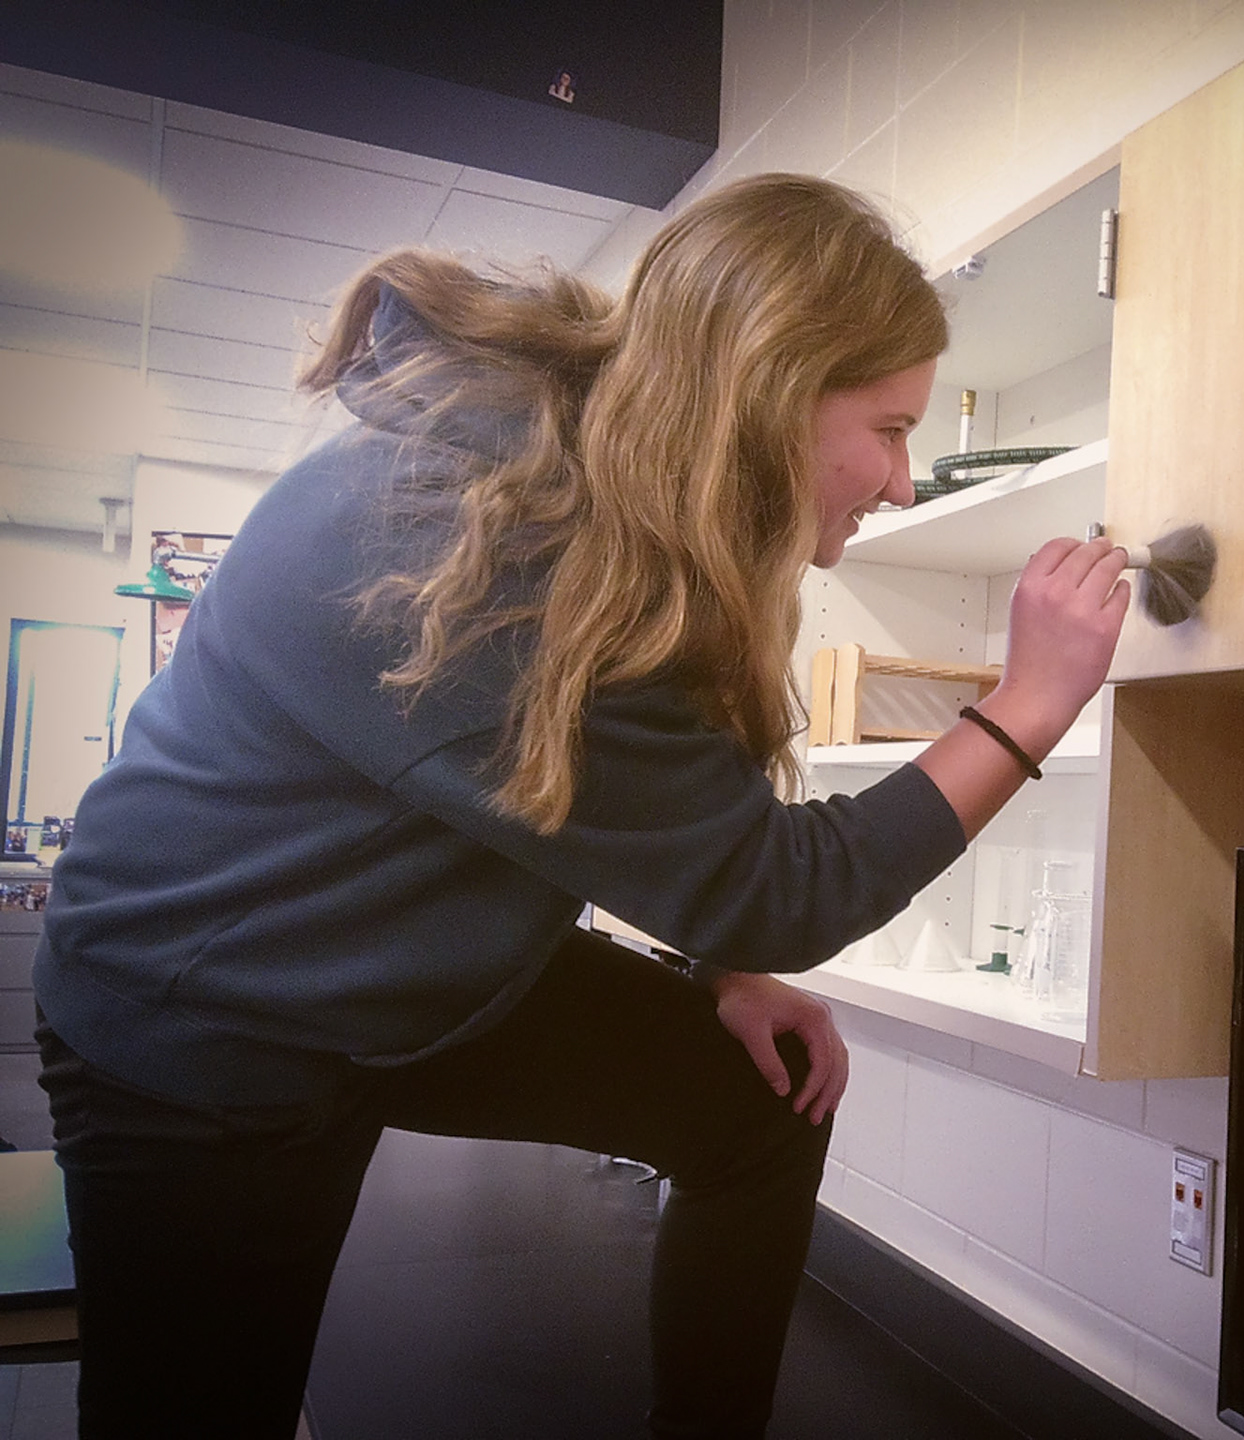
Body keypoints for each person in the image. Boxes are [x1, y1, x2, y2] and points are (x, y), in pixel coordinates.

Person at [33, 172, 1130, 1440]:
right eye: (887, 431)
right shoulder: (487, 544)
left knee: (754, 1105)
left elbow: (637, 822)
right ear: (771, 395)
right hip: (198, 1016)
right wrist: (1031, 703)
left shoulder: (604, 493)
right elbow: (782, 890)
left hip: (404, 973)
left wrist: (714, 968)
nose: (901, 483)